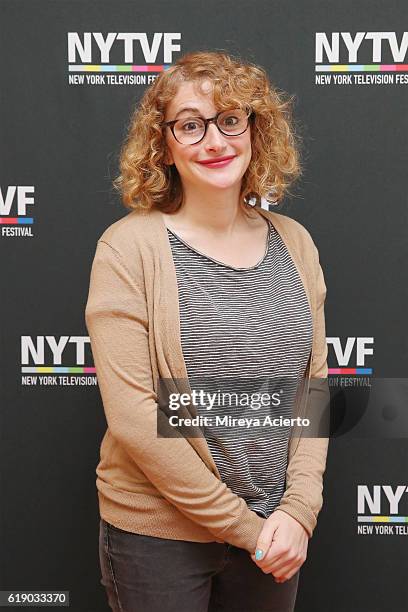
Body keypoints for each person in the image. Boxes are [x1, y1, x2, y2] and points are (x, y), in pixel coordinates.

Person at [85, 50, 330, 612]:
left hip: (275, 536)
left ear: (254, 129)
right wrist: (246, 529)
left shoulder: (295, 242)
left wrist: (298, 511)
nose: (215, 141)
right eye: (191, 125)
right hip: (159, 539)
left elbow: (313, 385)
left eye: (230, 120)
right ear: (164, 143)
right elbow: (134, 416)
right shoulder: (128, 247)